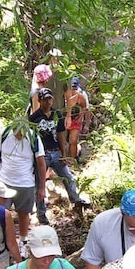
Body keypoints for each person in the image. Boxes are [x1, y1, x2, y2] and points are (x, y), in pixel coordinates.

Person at [28, 88, 90, 225]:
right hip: (41, 155)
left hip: (55, 152)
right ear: (40, 101)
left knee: (67, 177)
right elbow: (31, 139)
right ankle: (41, 214)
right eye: (45, 99)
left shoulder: (57, 114)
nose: (48, 102)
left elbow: (61, 135)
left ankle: (76, 200)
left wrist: (63, 154)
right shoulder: (34, 118)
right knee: (40, 184)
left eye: (50, 99)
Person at [0, 121, 47, 245]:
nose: (19, 135)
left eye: (22, 133)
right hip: (4, 181)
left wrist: (42, 187)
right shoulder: (4, 134)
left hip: (25, 183)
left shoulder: (33, 138)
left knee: (24, 213)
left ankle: (23, 241)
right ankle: (2, 242)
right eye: (17, 133)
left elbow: (41, 163)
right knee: (0, 213)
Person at [63, 77, 92, 162]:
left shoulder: (81, 95)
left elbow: (85, 108)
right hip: (64, 118)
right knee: (63, 140)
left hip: (76, 119)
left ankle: (72, 160)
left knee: (73, 140)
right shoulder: (66, 94)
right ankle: (64, 159)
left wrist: (84, 122)